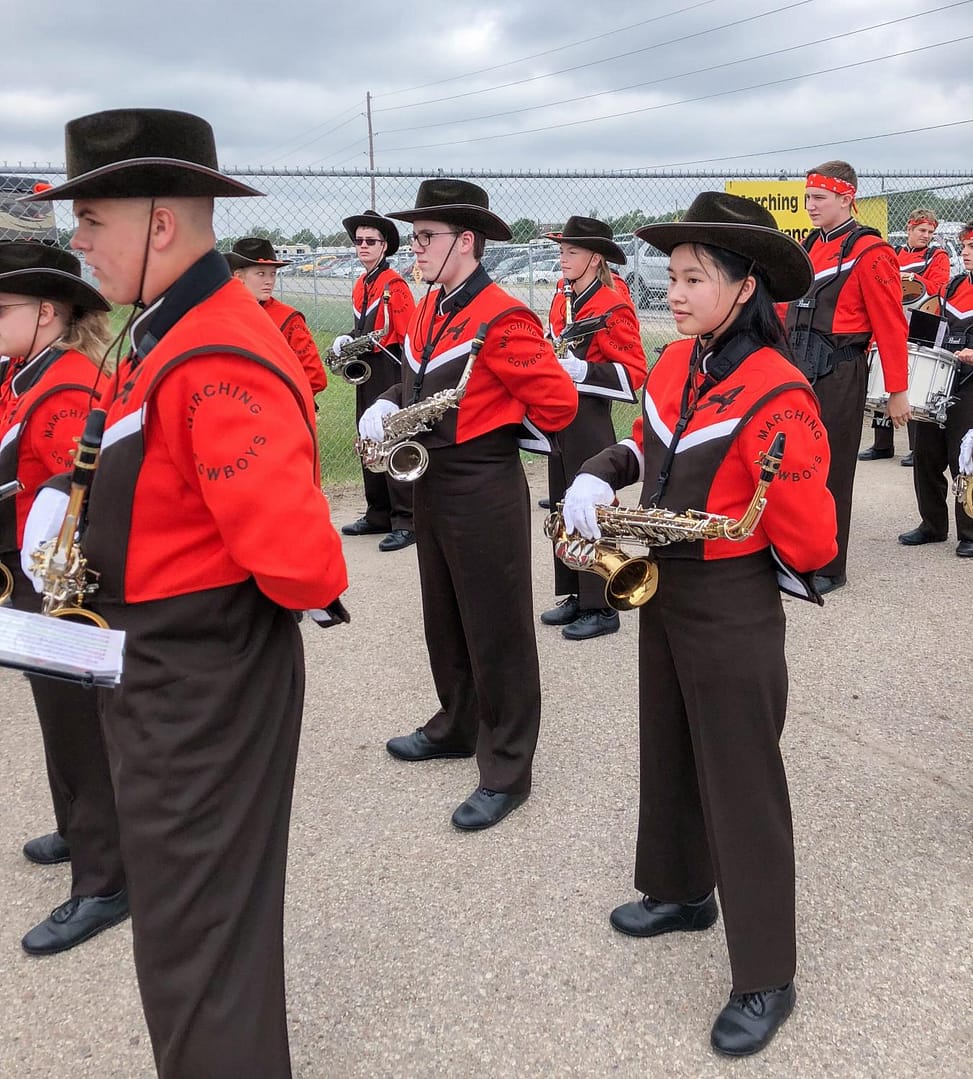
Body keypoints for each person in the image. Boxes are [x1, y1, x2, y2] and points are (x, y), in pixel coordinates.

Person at [22, 108, 349, 1079]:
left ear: (160, 222)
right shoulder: (163, 330)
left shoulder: (211, 352)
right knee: (185, 933)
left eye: (91, 220)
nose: (75, 241)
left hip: (201, 674)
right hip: (165, 663)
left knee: (199, 946)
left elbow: (304, 563)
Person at [560, 192, 837, 1057]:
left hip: (730, 602)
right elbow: (651, 444)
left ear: (742, 284)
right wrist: (600, 472)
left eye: (690, 277)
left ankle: (766, 973)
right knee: (668, 744)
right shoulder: (677, 361)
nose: (671, 292)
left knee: (742, 782)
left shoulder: (779, 389)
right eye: (670, 276)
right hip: (666, 584)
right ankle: (681, 890)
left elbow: (813, 535)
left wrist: (763, 498)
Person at [363, 179, 577, 830]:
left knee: (498, 630)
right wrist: (389, 402)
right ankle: (455, 724)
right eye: (415, 237)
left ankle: (508, 767)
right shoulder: (431, 305)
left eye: (424, 238)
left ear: (466, 242)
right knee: (445, 614)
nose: (414, 248)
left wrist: (494, 427)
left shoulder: (504, 315)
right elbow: (418, 372)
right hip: (432, 475)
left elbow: (558, 406)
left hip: (482, 483)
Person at [0, 240, 127, 955]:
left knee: (79, 724)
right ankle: (78, 823)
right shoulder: (24, 371)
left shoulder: (67, 385)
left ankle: (105, 879)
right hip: (27, 573)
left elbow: (79, 498)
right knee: (57, 717)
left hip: (60, 584)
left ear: (47, 312)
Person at [783, 160, 909, 593]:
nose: (809, 206)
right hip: (798, 368)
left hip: (840, 370)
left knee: (832, 470)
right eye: (807, 197)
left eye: (818, 198)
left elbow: (891, 325)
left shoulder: (873, 252)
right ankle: (794, 553)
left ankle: (830, 565)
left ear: (846, 197)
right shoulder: (808, 245)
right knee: (793, 464)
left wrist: (897, 391)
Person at [539, 216, 646, 639]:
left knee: (590, 507)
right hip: (558, 416)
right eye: (562, 251)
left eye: (572, 252)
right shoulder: (561, 298)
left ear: (594, 258)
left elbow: (634, 372)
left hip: (589, 417)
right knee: (563, 504)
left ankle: (602, 604)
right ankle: (574, 592)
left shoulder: (612, 306)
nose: (563, 258)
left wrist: (583, 370)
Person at [335, 209, 417, 552]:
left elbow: (408, 334)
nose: (363, 246)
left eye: (371, 241)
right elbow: (361, 329)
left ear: (385, 246)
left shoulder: (394, 286)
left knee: (389, 438)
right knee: (365, 436)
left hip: (388, 367)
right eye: (359, 241)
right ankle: (378, 511)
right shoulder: (361, 283)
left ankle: (405, 518)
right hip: (365, 369)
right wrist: (347, 339)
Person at [897, 220, 973, 557]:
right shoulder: (955, 285)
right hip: (939, 380)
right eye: (966, 247)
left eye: (972, 248)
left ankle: (970, 531)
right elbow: (935, 324)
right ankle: (932, 524)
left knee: (966, 460)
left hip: (971, 386)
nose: (966, 253)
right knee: (926, 454)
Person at [860, 208, 951, 465]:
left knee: (911, 381)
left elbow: (940, 287)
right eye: (922, 231)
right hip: (891, 318)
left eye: (931, 232)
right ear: (909, 229)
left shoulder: (937, 255)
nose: (926, 236)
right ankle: (882, 444)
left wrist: (914, 279)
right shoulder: (894, 253)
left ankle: (915, 447)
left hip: (921, 320)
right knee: (883, 378)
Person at [225, 236, 328, 397]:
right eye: (261, 274)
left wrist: (273, 399)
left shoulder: (288, 319)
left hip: (273, 411)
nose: (269, 281)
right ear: (238, 277)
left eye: (272, 274)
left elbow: (315, 377)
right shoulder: (220, 314)